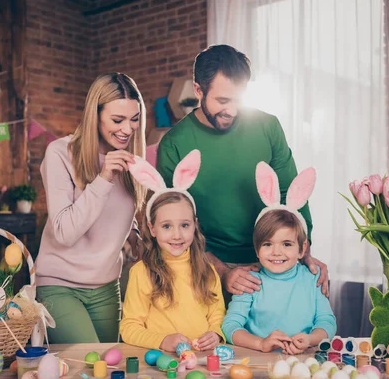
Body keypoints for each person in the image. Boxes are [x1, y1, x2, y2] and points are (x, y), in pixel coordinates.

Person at [157, 44, 329, 300]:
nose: (233, 111)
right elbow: (170, 225)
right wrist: (223, 272)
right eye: (223, 101)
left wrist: (305, 253)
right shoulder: (174, 144)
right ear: (198, 90)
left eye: (239, 99)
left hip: (271, 264)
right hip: (205, 269)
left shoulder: (268, 126)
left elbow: (291, 193)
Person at [35, 73, 146, 343]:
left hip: (107, 287)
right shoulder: (60, 153)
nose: (127, 129)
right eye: (117, 120)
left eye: (134, 119)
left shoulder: (131, 162)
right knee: (89, 364)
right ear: (94, 115)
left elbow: (116, 216)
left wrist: (136, 235)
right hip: (59, 286)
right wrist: (103, 178)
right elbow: (64, 233)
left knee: (108, 366)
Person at [221, 163, 336, 354]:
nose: (276, 252)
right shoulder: (250, 281)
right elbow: (230, 326)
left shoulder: (312, 279)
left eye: (287, 244)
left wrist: (310, 339)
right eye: (267, 244)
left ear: (302, 249)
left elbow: (327, 322)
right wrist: (260, 343)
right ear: (257, 250)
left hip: (302, 362)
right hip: (258, 363)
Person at [120, 150, 226, 352]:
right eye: (167, 226)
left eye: (184, 225)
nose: (177, 235)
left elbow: (216, 313)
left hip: (202, 360)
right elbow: (129, 327)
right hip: (162, 361)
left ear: (195, 225)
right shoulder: (142, 273)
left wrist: (216, 334)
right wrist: (162, 341)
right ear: (152, 229)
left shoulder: (207, 269)